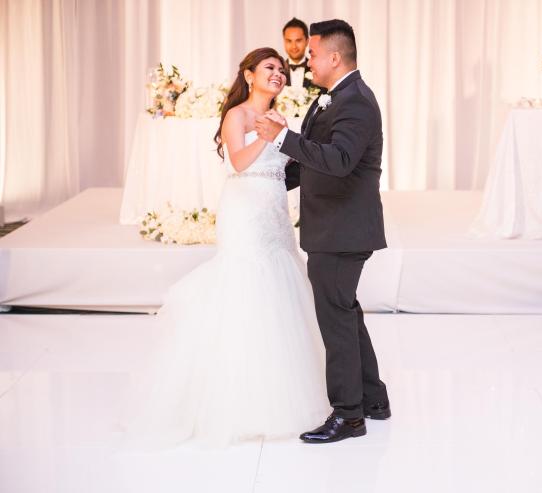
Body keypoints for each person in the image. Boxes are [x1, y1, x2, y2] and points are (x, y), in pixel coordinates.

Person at [124, 47, 329, 449]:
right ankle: (235, 400)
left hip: (274, 211)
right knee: (246, 284)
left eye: (282, 69)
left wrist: (285, 138)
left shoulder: (279, 117)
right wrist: (269, 136)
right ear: (249, 75)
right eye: (270, 67)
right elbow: (238, 162)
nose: (278, 73)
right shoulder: (237, 115)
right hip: (244, 210)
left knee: (281, 286)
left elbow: (285, 168)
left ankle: (282, 391)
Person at [255, 19, 391, 444]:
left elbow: (339, 161)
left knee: (335, 320)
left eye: (312, 54)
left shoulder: (356, 102)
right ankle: (374, 399)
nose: (306, 60)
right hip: (337, 227)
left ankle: (348, 416)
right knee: (345, 311)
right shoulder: (334, 97)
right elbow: (315, 161)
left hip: (343, 230)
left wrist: (282, 138)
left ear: (334, 56)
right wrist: (267, 180)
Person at [282, 17, 314, 89]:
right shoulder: (277, 72)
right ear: (284, 42)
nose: (294, 46)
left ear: (307, 41)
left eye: (298, 40)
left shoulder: (317, 70)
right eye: (289, 41)